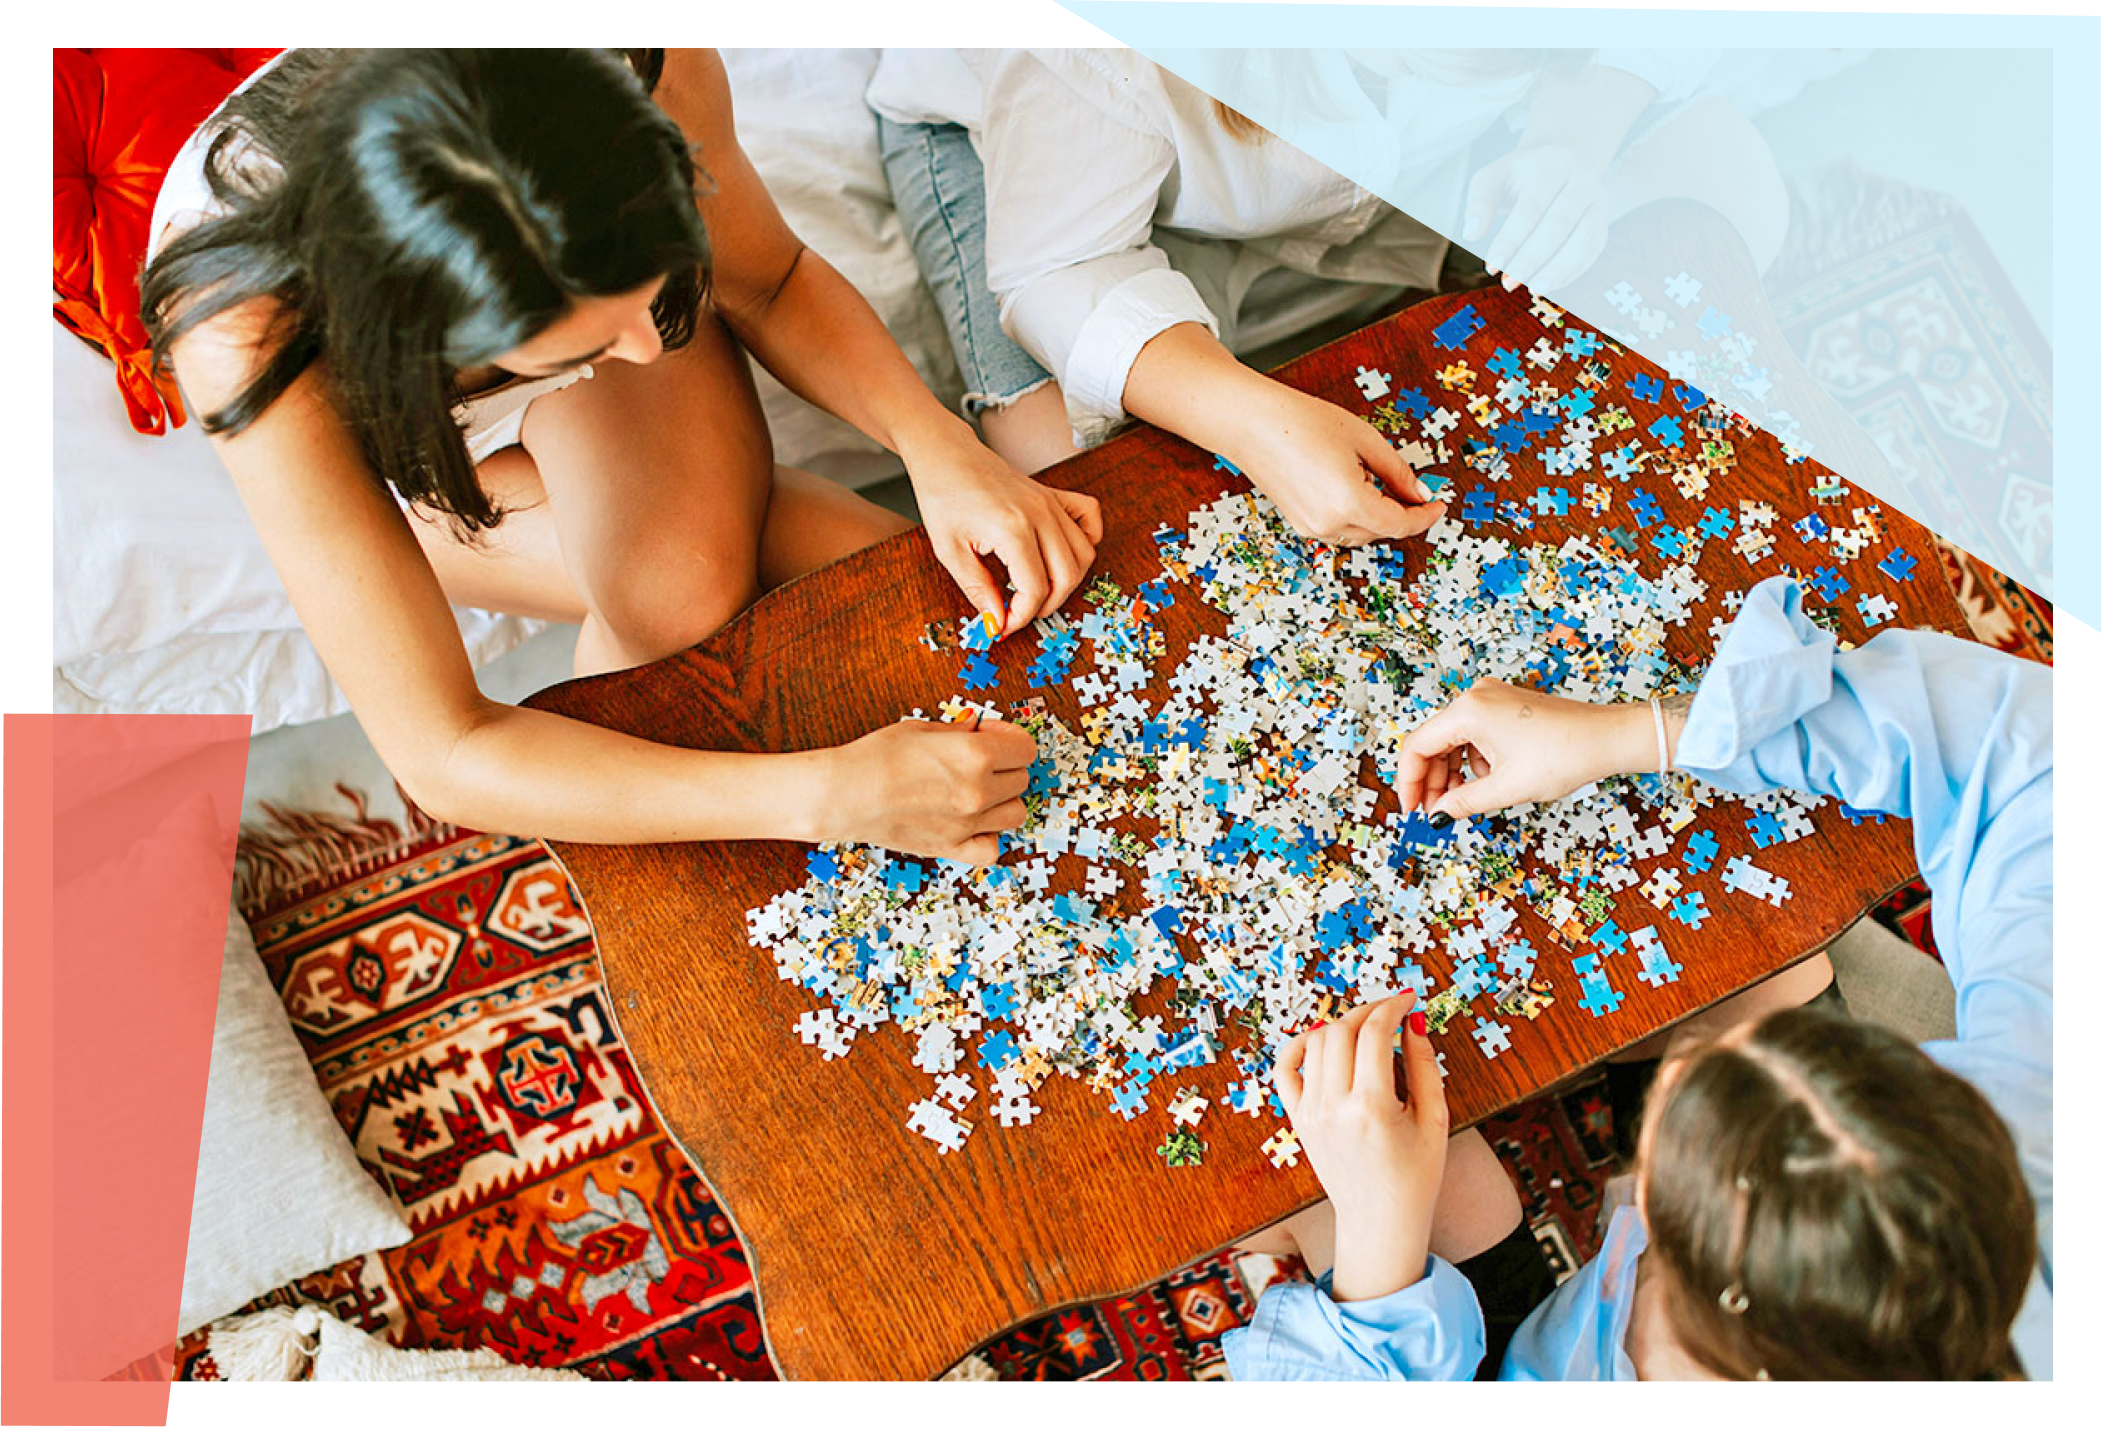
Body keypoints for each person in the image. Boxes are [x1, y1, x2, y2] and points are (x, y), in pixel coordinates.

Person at [141, 48, 1103, 861]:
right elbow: (441, 754)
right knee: (707, 589)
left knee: (677, 592)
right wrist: (826, 796)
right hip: (403, 456)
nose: (650, 346)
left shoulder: (638, 68)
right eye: (588, 341)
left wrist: (939, 447)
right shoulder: (243, 317)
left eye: (653, 291)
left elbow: (767, 285)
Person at [1223, 576, 2052, 1380]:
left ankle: (1312, 1238)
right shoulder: (2030, 1124)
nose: (1690, 1072)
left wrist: (1376, 1245)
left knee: (1311, 1119)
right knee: (1740, 941)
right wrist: (1644, 734)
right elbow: (2023, 751)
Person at [865, 48, 1737, 548]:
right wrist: (1256, 421)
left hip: (1367, 153)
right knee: (1084, 491)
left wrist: (1571, 136)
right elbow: (1060, 268)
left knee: (1712, 184)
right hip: (1018, 147)